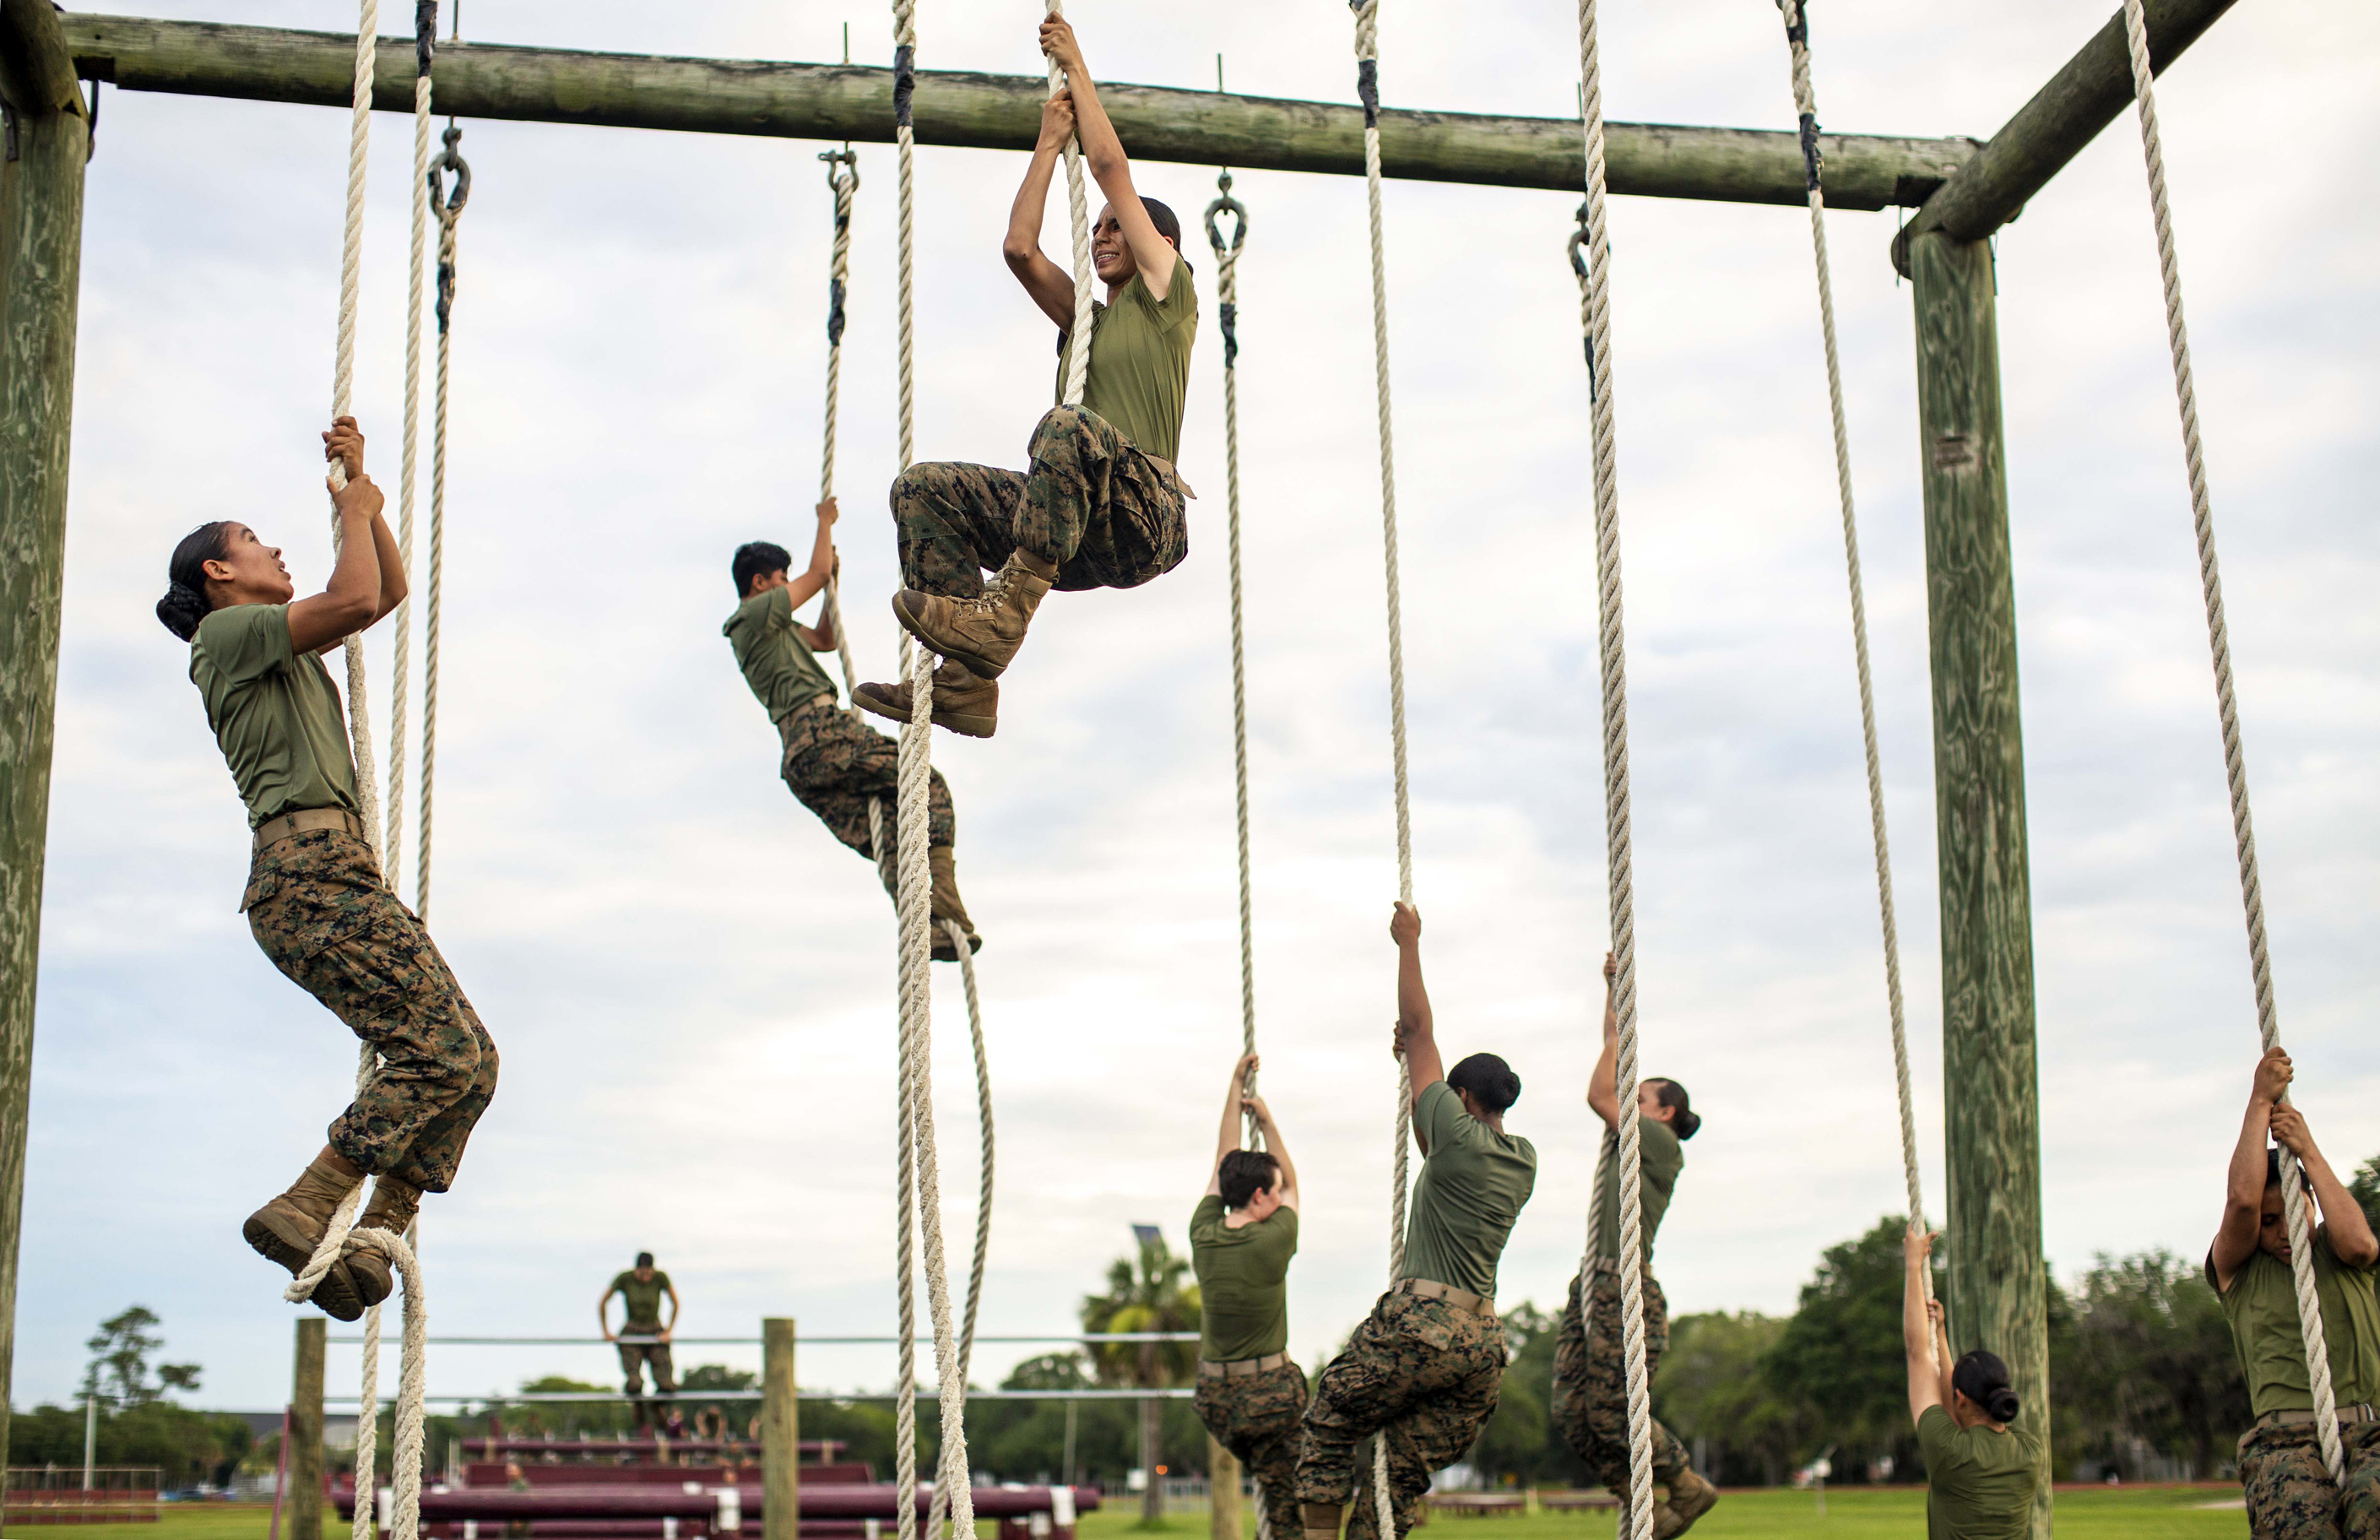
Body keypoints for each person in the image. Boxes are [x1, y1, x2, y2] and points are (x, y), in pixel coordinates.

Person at [157, 418, 498, 1324]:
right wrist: (352, 508)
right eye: (254, 543)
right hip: (306, 876)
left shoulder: (273, 640)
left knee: (474, 1064)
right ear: (218, 576)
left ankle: (373, 1235)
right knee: (438, 1052)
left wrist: (363, 490)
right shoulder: (224, 641)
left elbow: (378, 594)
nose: (274, 548)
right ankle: (311, 1200)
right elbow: (351, 598)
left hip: (336, 871)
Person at [853, 13, 1196, 740]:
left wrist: (1074, 60)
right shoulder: (1084, 323)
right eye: (1096, 228)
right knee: (923, 491)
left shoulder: (1170, 291)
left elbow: (1110, 169)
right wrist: (1045, 145)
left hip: (1142, 513)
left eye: (1116, 227)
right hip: (1073, 524)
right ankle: (966, 684)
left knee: (1067, 426)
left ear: (1155, 241)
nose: (1102, 235)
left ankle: (1001, 617)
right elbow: (1018, 248)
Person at [1294, 903, 1535, 1540]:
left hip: (1422, 1328)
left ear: (1460, 1101)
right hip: (1481, 1349)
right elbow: (1433, 1145)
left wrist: (1408, 942)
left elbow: (1420, 1028)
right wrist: (1413, 1073)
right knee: (1394, 1471)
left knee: (1327, 1421)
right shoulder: (1521, 1160)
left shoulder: (1455, 1137)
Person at [724, 502, 978, 957]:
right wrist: (823, 523)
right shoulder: (755, 615)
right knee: (928, 786)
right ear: (760, 583)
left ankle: (932, 927)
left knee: (891, 841)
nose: (787, 586)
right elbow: (817, 572)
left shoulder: (767, 628)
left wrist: (830, 586)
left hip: (803, 759)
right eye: (783, 580)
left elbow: (823, 639)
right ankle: (947, 907)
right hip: (821, 732)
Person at [1551, 952, 1716, 1536]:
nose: (1628, 1105)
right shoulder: (1636, 1134)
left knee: (1612, 1413)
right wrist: (1611, 993)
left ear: (1663, 1112)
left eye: (1639, 1098)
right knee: (1572, 1413)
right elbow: (1612, 1061)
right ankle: (1636, 1496)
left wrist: (1615, 1018)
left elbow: (1600, 1089)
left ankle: (1686, 1485)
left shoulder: (1659, 1141)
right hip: (1592, 1280)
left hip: (1624, 1284)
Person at [2209, 1048, 2380, 1539]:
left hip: (2370, 1435)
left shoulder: (2337, 1251)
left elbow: (2362, 1243)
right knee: (2299, 1519)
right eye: (2269, 1222)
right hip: (2286, 1444)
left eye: (2292, 1209)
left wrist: (2307, 1148)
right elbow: (2242, 1201)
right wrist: (2260, 1101)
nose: (2283, 1231)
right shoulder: (2239, 1271)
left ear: (2312, 1200)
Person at [1190, 1050, 1304, 1540]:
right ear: (1259, 1196)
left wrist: (1234, 1089)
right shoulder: (1272, 1238)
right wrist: (1268, 1119)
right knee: (1291, 1508)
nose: (1280, 1197)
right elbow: (1293, 1181)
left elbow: (1224, 1166)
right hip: (1269, 1398)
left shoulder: (1203, 1232)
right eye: (1272, 1192)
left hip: (1215, 1400)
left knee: (1264, 1475)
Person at [1903, 1226, 2040, 1539]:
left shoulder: (1949, 1451)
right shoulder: (2030, 1452)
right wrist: (1940, 1336)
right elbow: (1960, 1408)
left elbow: (1917, 1356)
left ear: (1961, 1399)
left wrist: (1913, 1264)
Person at [601, 1252, 682, 1431]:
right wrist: (607, 1331)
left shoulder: (661, 1278)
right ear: (636, 1270)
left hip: (655, 1331)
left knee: (667, 1384)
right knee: (634, 1384)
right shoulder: (625, 1278)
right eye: (642, 1274)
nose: (646, 1278)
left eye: (649, 1274)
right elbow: (603, 1302)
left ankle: (657, 1407)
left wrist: (668, 1331)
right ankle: (640, 1415)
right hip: (632, 1331)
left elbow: (676, 1303)